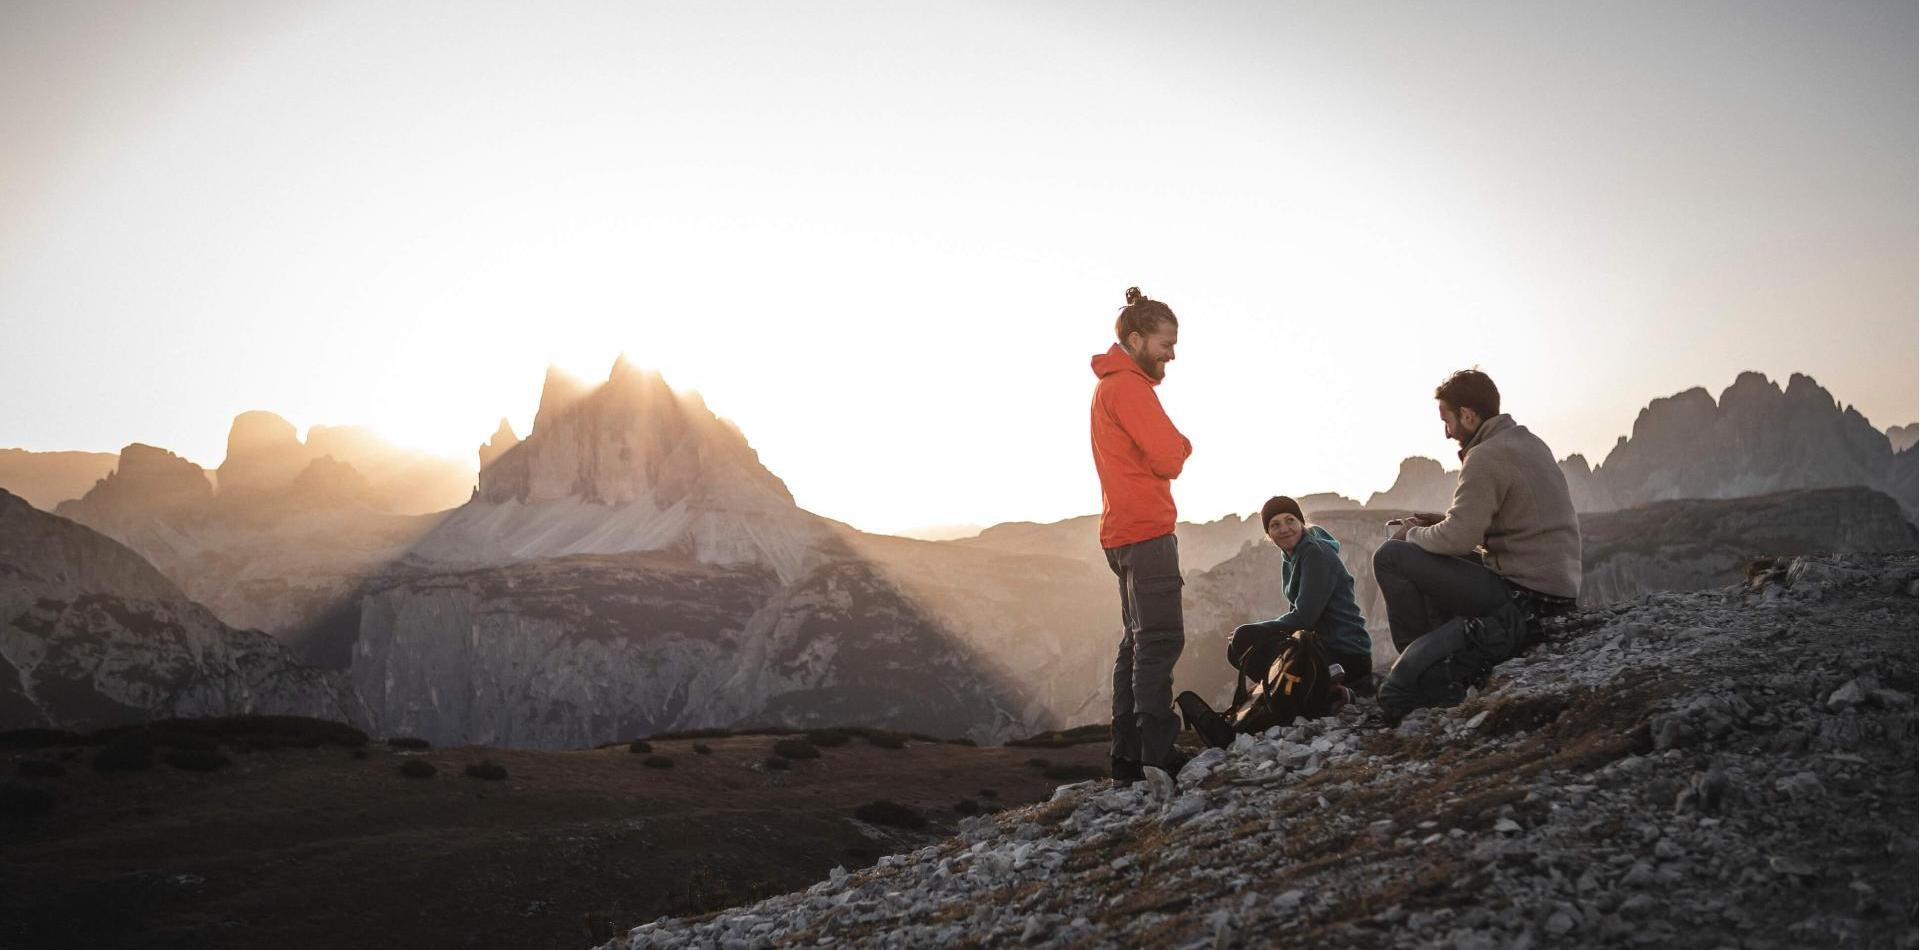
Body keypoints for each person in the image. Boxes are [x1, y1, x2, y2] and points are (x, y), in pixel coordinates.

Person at [1372, 369, 1582, 719]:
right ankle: (1432, 652)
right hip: (1556, 591)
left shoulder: (1485, 456)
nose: (1447, 432)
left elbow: (1458, 539)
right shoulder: (1528, 442)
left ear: (1468, 415)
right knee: (1426, 547)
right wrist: (1438, 523)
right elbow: (1505, 520)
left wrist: (1411, 534)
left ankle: (1420, 660)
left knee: (1393, 556)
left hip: (1524, 598)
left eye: (1448, 420)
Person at [1091, 287, 1192, 781]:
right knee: (1159, 640)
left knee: (1135, 643)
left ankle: (1128, 757)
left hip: (1120, 530)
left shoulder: (1110, 386)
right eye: (1165, 344)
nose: (1172, 354)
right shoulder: (1129, 388)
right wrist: (1183, 445)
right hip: (1147, 529)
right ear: (1135, 339)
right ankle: (1157, 755)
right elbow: (1169, 456)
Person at [1227, 496, 1376, 697]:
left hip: (1345, 655)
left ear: (1301, 522)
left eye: (1290, 520)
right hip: (1320, 647)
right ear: (1269, 534)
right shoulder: (1292, 556)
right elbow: (1297, 615)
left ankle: (1316, 694)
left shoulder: (1316, 553)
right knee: (1236, 651)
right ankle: (1288, 690)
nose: (1284, 529)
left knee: (1244, 638)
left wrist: (1254, 631)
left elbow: (1304, 617)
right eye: (1275, 525)